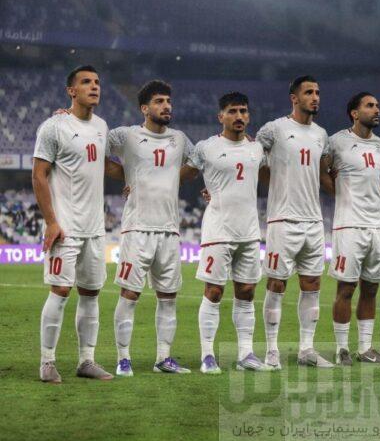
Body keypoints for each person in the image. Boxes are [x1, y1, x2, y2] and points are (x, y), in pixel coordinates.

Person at [34, 65, 123, 383]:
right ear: (71, 91)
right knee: (60, 290)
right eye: (86, 82)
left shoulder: (101, 126)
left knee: (91, 293)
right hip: (65, 227)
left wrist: (136, 177)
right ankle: (47, 362)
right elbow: (39, 174)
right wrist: (51, 222)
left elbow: (104, 164)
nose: (94, 86)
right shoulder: (54, 126)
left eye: (97, 82)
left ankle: (87, 360)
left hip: (95, 228)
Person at [110, 80, 195, 376]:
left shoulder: (179, 139)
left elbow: (198, 162)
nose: (166, 106)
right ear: (145, 109)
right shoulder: (127, 135)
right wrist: (125, 176)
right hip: (137, 229)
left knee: (168, 297)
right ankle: (123, 358)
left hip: (169, 230)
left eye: (168, 101)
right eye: (159, 101)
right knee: (130, 294)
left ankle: (164, 358)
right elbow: (93, 147)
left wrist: (175, 178)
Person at [184, 92, 271, 373]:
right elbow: (183, 175)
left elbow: (269, 176)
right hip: (218, 230)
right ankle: (207, 355)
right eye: (232, 111)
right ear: (220, 116)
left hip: (249, 230)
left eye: (243, 111)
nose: (239, 116)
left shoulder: (257, 149)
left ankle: (246, 354)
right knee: (214, 291)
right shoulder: (206, 147)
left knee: (246, 291)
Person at [257, 75, 334, 369]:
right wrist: (275, 183)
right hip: (283, 219)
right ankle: (271, 351)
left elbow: (324, 173)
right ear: (294, 98)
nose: (315, 97)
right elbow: (253, 160)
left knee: (312, 284)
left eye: (317, 92)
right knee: (276, 284)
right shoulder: (274, 129)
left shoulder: (321, 134)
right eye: (309, 92)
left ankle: (306, 350)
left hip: (313, 220)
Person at [327, 92, 380, 365]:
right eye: (370, 106)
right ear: (354, 113)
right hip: (349, 225)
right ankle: (342, 348)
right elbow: (321, 172)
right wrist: (340, 193)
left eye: (377, 105)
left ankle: (365, 348)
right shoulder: (337, 142)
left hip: (377, 225)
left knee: (371, 289)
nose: (376, 109)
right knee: (346, 288)